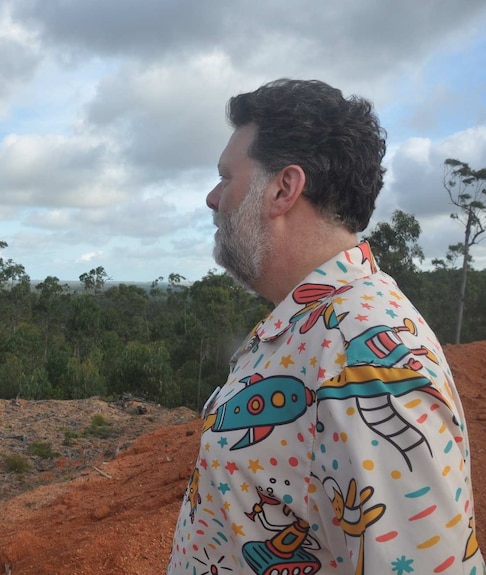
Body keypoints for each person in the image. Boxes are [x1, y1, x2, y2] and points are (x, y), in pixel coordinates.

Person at [168, 79, 484, 575]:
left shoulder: (361, 362)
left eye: (227, 177)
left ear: (283, 189)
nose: (213, 198)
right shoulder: (316, 322)